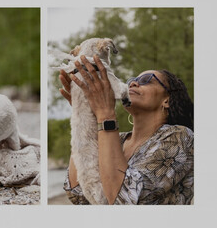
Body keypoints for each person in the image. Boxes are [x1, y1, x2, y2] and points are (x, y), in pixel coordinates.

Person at [59, 58, 193, 205]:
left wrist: (105, 113)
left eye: (147, 80)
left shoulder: (180, 137)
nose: (133, 83)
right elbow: (78, 193)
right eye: (131, 81)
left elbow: (124, 197)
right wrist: (84, 114)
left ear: (166, 100)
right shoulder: (118, 140)